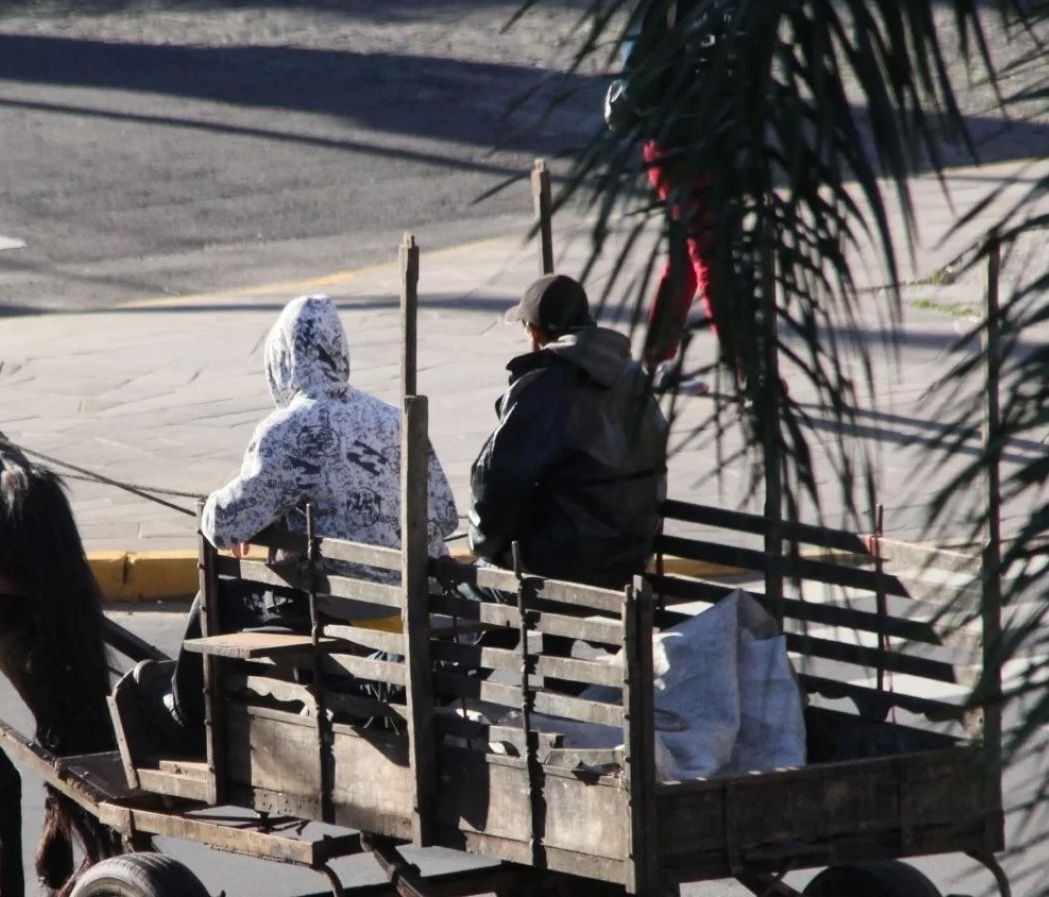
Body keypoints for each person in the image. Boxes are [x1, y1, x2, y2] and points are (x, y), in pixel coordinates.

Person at [117, 294, 459, 743]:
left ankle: (184, 711)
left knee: (218, 593)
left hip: (339, 610)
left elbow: (222, 525)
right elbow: (446, 516)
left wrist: (232, 512)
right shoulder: (395, 420)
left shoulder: (289, 429)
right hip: (412, 605)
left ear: (281, 360)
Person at [603, 0, 739, 395]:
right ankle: (751, 373)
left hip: (712, 142)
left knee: (686, 258)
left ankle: (654, 364)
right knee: (712, 259)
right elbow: (644, 75)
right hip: (676, 145)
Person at [469, 273, 668, 593]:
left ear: (534, 331)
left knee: (473, 583)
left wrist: (483, 546)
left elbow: (496, 482)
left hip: (565, 565)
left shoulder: (545, 385)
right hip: (631, 556)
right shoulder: (632, 374)